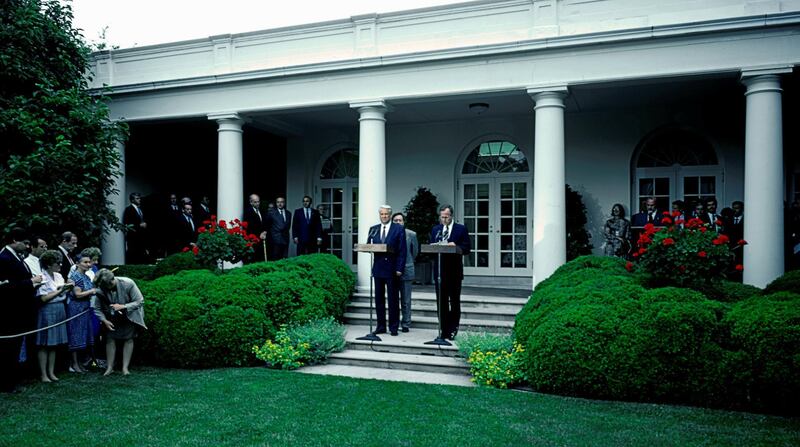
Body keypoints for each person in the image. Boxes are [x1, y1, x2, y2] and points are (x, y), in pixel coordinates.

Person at [0, 228, 43, 392]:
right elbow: (7, 287)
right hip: (11, 312)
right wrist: (31, 282)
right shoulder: (4, 258)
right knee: (8, 347)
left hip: (20, 310)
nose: (26, 246)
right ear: (13, 240)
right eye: (24, 243)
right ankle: (6, 383)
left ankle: (13, 379)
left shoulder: (14, 257)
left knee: (16, 346)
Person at [92, 269, 147, 376]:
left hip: (129, 315)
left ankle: (125, 368)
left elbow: (140, 301)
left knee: (128, 339)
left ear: (112, 280)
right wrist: (104, 320)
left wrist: (123, 306)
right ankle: (109, 368)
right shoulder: (100, 289)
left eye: (108, 285)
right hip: (111, 318)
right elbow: (97, 308)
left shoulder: (128, 283)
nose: (105, 289)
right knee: (110, 339)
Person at [429, 205, 471, 340]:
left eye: (446, 217)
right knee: (441, 302)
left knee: (454, 301)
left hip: (454, 272)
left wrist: (456, 246)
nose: (444, 219)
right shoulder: (436, 229)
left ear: (451, 215)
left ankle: (453, 329)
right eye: (442, 217)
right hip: (440, 272)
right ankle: (443, 330)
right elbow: (431, 246)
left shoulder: (461, 229)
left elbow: (467, 248)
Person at [367, 205, 406, 336]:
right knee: (379, 299)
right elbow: (369, 245)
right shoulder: (373, 229)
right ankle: (380, 326)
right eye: (382, 214)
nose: (384, 216)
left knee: (393, 299)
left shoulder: (399, 229)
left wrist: (399, 268)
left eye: (386, 214)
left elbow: (402, 251)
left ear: (390, 215)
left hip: (392, 269)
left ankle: (394, 327)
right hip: (378, 268)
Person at [35, 250, 71, 383]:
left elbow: (61, 293)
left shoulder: (59, 276)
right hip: (47, 310)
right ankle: (43, 374)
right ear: (49, 264)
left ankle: (51, 372)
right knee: (44, 343)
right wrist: (60, 291)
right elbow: (44, 298)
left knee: (54, 343)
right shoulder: (41, 277)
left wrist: (66, 289)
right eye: (57, 263)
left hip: (59, 308)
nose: (60, 265)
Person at [67, 249, 98, 373]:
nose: (88, 264)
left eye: (89, 262)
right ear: (77, 263)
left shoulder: (86, 276)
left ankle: (80, 363)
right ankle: (74, 364)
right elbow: (77, 294)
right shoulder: (75, 276)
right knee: (76, 336)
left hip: (85, 308)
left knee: (84, 336)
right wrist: (91, 291)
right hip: (76, 309)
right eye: (85, 262)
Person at [392, 212, 418, 332]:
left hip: (407, 269)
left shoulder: (411, 234)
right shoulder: (389, 234)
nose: (398, 222)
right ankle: (394, 323)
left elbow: (415, 252)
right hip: (391, 270)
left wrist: (407, 263)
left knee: (406, 299)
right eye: (395, 220)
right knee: (393, 299)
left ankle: (406, 323)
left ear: (404, 222)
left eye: (400, 220)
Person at [122, 192, 150, 264]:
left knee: (141, 257)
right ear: (132, 200)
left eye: (139, 198)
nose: (139, 200)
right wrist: (139, 225)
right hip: (133, 238)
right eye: (137, 198)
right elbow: (127, 223)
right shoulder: (128, 209)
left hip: (141, 237)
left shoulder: (140, 210)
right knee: (134, 257)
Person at [265, 196, 292, 260]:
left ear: (284, 203)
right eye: (278, 202)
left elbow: (288, 226)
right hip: (275, 239)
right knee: (275, 258)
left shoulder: (288, 213)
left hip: (285, 239)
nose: (280, 204)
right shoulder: (271, 213)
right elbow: (267, 225)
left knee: (284, 258)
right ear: (276, 203)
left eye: (282, 202)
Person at [243, 194, 267, 262]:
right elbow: (250, 227)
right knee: (253, 259)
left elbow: (264, 223)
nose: (257, 203)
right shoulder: (248, 212)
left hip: (261, 240)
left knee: (260, 258)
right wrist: (259, 234)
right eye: (255, 202)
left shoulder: (262, 211)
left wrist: (264, 231)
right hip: (252, 240)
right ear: (251, 202)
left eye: (258, 202)